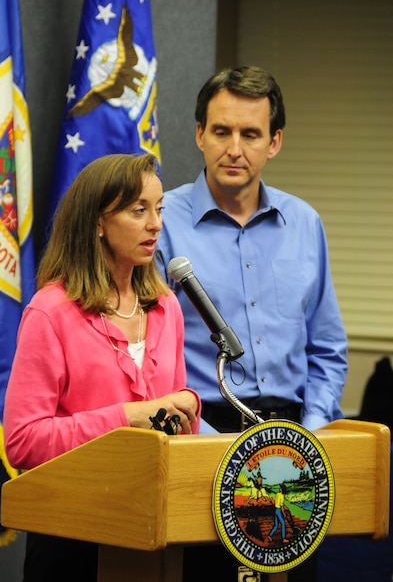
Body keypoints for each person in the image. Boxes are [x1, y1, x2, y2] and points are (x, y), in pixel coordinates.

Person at [155, 66, 348, 581]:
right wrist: (201, 442)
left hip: (292, 447)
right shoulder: (158, 223)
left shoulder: (304, 223)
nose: (234, 148)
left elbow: (327, 349)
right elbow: (143, 356)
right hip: (198, 440)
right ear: (199, 134)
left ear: (274, 142)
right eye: (221, 131)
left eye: (250, 134)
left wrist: (311, 436)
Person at [4, 153, 200, 582]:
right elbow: (22, 441)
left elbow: (170, 429)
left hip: (152, 533)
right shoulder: (51, 313)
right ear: (97, 222)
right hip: (71, 539)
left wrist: (186, 408)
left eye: (159, 209)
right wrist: (127, 418)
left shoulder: (167, 307)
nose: (156, 224)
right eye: (139, 211)